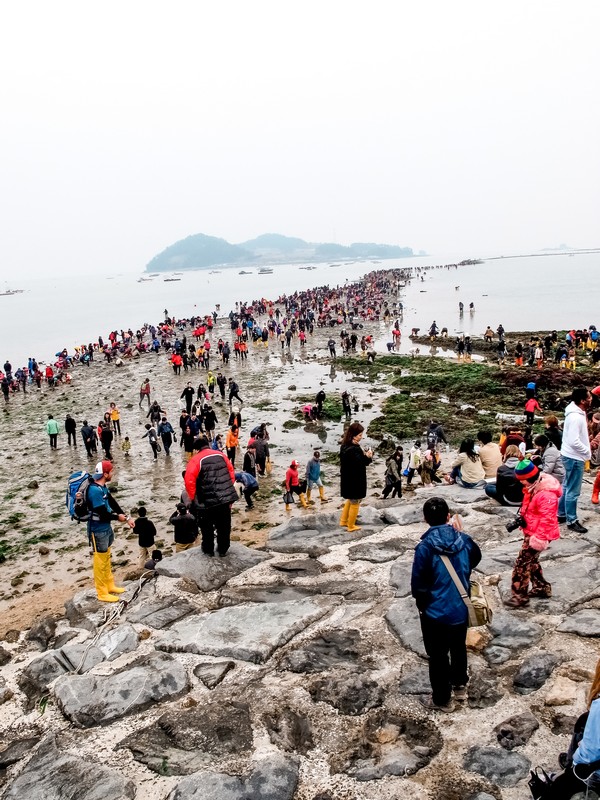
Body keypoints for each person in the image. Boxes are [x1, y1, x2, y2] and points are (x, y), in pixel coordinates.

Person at [411, 497, 482, 712]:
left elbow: (418, 584)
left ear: (425, 519)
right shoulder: (464, 539)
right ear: (448, 516)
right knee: (458, 646)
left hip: (435, 611)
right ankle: (459, 685)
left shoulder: (424, 548)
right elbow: (476, 557)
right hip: (460, 606)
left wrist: (422, 605)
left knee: (438, 655)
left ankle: (442, 699)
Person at [505, 459, 561, 608]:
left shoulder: (546, 495)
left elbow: (547, 520)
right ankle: (542, 588)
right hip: (532, 531)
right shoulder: (533, 487)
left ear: (527, 478)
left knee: (521, 564)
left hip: (539, 535)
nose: (520, 482)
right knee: (532, 562)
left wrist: (539, 539)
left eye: (521, 480)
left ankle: (520, 596)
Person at [84, 460, 134, 602]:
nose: (113, 474)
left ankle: (109, 584)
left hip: (105, 527)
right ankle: (101, 592)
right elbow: (102, 513)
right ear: (105, 474)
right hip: (97, 528)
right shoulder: (94, 491)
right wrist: (117, 517)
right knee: (100, 561)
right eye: (111, 472)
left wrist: (127, 517)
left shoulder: (102, 487)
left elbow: (112, 502)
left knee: (106, 557)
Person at [184, 435, 239, 557]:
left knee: (207, 527)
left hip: (206, 501)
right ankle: (223, 549)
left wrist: (193, 498)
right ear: (207, 444)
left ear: (197, 448)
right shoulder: (221, 455)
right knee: (224, 526)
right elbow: (231, 473)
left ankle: (208, 549)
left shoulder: (195, 460)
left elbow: (189, 481)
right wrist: (228, 491)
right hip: (224, 498)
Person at [559, 386, 592, 533]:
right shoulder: (576, 417)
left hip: (568, 455)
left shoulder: (574, 413)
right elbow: (574, 441)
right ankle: (571, 520)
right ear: (582, 400)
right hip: (574, 457)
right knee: (573, 490)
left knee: (566, 486)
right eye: (589, 397)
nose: (591, 399)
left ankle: (560, 514)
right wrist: (586, 452)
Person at [339, 422, 373, 532]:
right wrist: (368, 457)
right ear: (353, 435)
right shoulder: (354, 449)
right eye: (359, 435)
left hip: (347, 478)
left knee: (350, 499)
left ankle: (343, 521)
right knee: (355, 501)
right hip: (355, 480)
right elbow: (361, 463)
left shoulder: (344, 446)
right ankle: (351, 525)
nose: (361, 437)